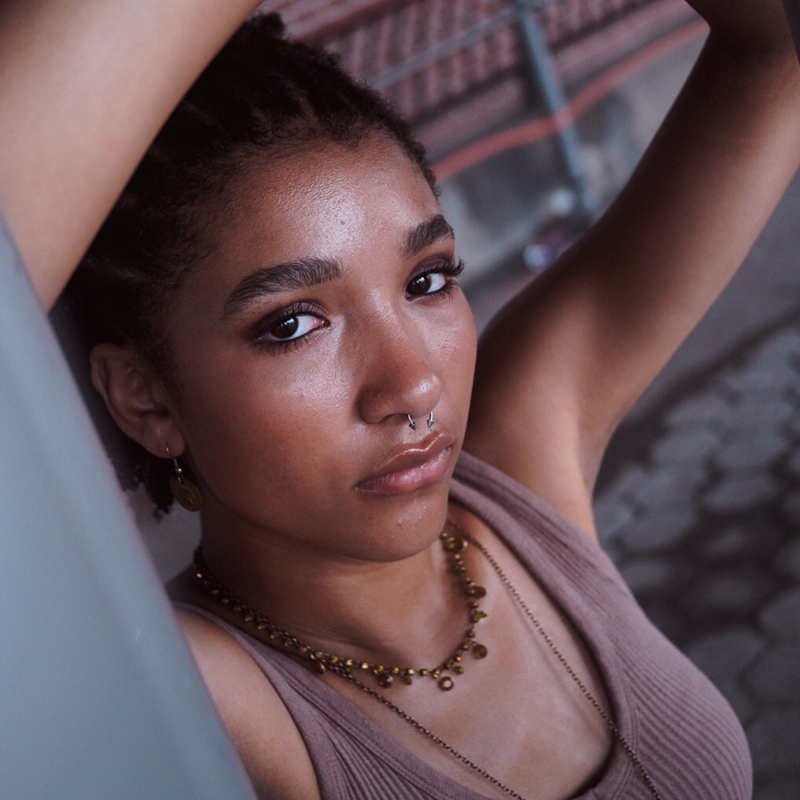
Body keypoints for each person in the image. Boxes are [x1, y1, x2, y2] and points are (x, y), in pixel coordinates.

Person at [1, 1, 799, 798]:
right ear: (145, 400)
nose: (414, 385)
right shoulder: (190, 700)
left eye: (427, 280)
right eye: (292, 325)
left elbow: (776, 56)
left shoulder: (518, 471)